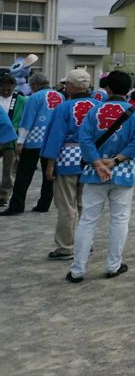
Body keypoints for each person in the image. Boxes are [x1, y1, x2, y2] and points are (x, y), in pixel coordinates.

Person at [66, 70, 135, 283]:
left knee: (87, 220)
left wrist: (97, 162)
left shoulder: (94, 111)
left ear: (108, 88)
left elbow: (84, 139)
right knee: (120, 219)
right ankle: (113, 265)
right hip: (123, 172)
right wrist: (115, 161)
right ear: (128, 89)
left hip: (94, 172)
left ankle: (77, 270)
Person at [41, 69, 99, 260]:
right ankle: (86, 242)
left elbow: (56, 136)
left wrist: (50, 163)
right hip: (93, 159)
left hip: (67, 158)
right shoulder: (99, 106)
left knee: (67, 205)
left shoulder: (64, 108)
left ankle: (66, 246)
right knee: (86, 204)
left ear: (72, 86)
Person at [1, 72, 63, 216]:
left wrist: (20, 142)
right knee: (48, 173)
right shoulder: (60, 96)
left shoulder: (34, 97)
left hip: (34, 140)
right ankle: (44, 204)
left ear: (35, 85)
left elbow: (27, 121)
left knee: (24, 174)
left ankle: (17, 206)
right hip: (52, 139)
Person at [0, 72, 27, 208]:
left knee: (8, 169)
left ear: (14, 87)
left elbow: (25, 121)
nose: (6, 92)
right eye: (3, 89)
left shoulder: (21, 100)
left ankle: (3, 195)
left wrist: (21, 140)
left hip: (12, 139)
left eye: (9, 90)